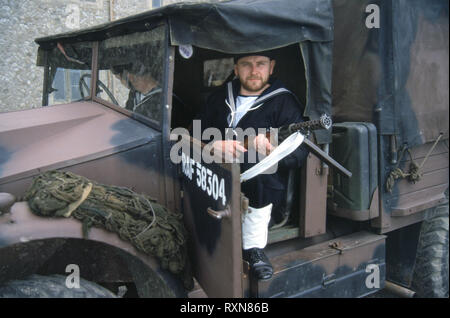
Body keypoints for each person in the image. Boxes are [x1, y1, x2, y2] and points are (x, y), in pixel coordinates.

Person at [198, 51, 309, 280]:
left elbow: (299, 152)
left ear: (272, 66)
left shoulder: (284, 101)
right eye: (246, 64)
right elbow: (193, 135)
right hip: (216, 180)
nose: (254, 70)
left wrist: (271, 150)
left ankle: (254, 249)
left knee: (258, 166)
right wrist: (211, 146)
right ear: (236, 69)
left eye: (261, 64)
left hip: (261, 188)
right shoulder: (220, 97)